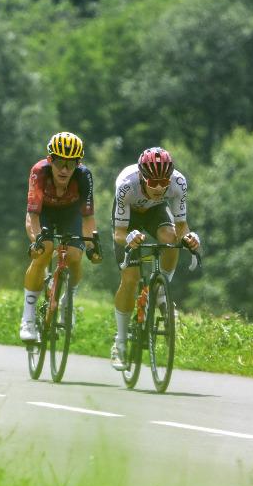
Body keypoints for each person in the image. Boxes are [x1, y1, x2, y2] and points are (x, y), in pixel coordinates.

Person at [110, 146, 200, 369]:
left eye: (164, 182)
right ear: (142, 177)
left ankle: (161, 292)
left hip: (155, 212)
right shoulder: (126, 185)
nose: (159, 188)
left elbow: (181, 226)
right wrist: (129, 238)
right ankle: (120, 343)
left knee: (170, 237)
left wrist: (190, 238)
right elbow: (118, 233)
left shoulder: (178, 182)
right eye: (153, 182)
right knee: (130, 280)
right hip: (129, 217)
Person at [19, 132, 101, 342]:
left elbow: (88, 218)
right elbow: (32, 217)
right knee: (44, 250)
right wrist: (36, 241)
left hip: (70, 213)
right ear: (50, 160)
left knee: (74, 255)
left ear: (78, 164)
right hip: (44, 211)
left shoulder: (84, 176)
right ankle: (28, 319)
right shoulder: (39, 172)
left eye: (70, 164)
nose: (64, 170)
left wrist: (91, 246)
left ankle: (67, 301)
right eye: (59, 163)